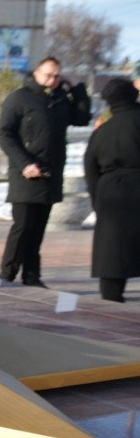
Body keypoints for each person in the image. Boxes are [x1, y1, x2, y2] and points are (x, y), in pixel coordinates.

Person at [0, 56, 91, 287]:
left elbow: (81, 118)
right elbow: (5, 134)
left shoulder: (61, 99)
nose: (52, 80)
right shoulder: (19, 98)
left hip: (50, 173)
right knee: (22, 228)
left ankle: (32, 276)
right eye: (48, 75)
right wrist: (24, 164)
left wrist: (77, 89)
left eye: (57, 75)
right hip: (25, 174)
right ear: (36, 73)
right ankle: (6, 276)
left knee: (38, 230)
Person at [83, 78, 140, 303]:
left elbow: (90, 166)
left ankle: (111, 295)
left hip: (111, 191)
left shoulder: (102, 131)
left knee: (112, 248)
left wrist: (98, 197)